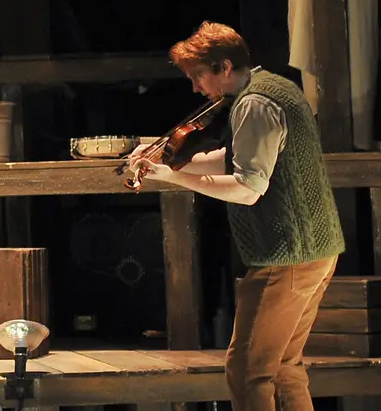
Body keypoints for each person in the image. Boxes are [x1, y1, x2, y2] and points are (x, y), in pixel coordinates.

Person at [136, 22, 343, 411]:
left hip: (286, 256)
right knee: (283, 367)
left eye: (199, 76)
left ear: (225, 67)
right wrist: (173, 162)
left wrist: (173, 177)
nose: (196, 88)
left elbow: (248, 188)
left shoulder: (254, 104)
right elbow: (238, 157)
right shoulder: (274, 89)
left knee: (248, 370)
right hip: (315, 250)